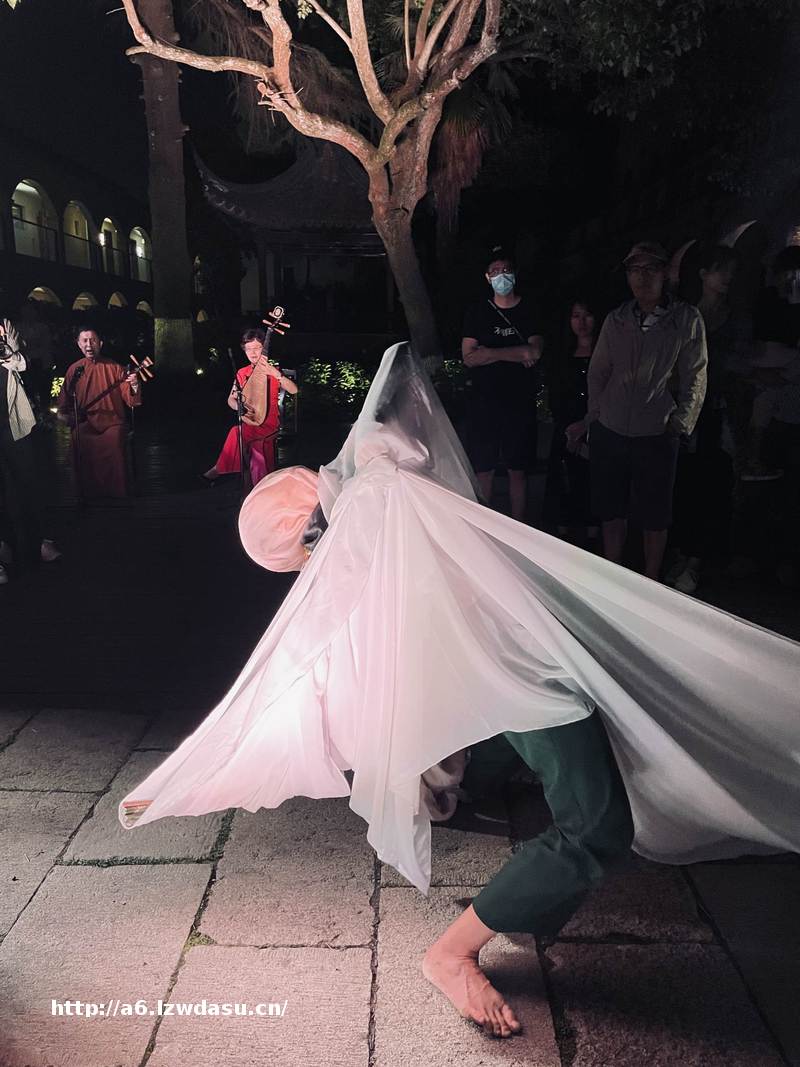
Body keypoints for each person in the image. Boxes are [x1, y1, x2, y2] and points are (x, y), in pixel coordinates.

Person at [119, 343, 799, 1039]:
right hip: (520, 666)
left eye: (299, 564)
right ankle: (460, 938)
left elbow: (279, 681)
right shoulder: (369, 494)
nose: (308, 578)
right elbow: (399, 387)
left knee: (596, 818)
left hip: (522, 663)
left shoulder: (368, 508)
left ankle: (457, 934)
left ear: (303, 544)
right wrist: (177, 784)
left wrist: (181, 781)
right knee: (596, 814)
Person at [567, 241, 708, 581]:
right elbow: (599, 371)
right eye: (634, 270)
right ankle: (613, 574)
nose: (642, 277)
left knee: (654, 514)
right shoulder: (617, 319)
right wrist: (596, 415)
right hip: (611, 426)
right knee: (611, 509)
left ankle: (651, 579)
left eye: (650, 269)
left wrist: (681, 422)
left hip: (657, 430)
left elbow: (696, 374)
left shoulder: (685, 318)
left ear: (664, 273)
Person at [666, 245, 740, 594]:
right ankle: (681, 553)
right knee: (683, 483)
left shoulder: (732, 318)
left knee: (711, 484)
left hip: (715, 411)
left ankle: (696, 560)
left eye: (730, 271)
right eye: (720, 269)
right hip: (683, 408)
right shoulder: (685, 314)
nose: (726, 277)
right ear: (703, 273)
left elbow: (733, 365)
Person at [462, 246, 543, 521]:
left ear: (515, 274)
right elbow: (469, 357)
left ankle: (517, 527)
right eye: (495, 271)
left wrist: (490, 353)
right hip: (483, 402)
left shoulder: (530, 310)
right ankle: (484, 528)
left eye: (506, 270)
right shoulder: (477, 312)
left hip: (519, 402)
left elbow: (534, 351)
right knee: (483, 469)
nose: (501, 276)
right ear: (487, 277)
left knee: (517, 470)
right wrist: (516, 354)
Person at [0, 318, 61, 584]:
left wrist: (8, 352)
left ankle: (38, 542)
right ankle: (4, 546)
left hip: (13, 419)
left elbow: (23, 362)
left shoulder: (4, 326)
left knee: (28, 480)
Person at [203, 328, 298, 486]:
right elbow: (231, 399)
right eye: (248, 349)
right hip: (250, 421)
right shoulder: (242, 373)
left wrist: (276, 373)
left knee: (237, 432)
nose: (253, 353)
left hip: (268, 424)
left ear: (264, 348)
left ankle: (218, 470)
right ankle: (249, 486)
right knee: (240, 435)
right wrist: (238, 407)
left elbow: (294, 390)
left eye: (257, 348)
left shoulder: (273, 371)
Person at [56, 326, 141, 499]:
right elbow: (63, 405)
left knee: (114, 440)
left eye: (93, 340)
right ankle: (86, 493)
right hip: (86, 423)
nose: (89, 344)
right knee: (78, 438)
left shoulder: (114, 367)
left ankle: (117, 493)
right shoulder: (74, 370)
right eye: (85, 341)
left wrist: (134, 384)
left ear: (100, 343)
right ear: (79, 344)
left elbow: (131, 399)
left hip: (112, 422)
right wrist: (67, 417)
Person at [544, 298, 599, 545]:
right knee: (565, 481)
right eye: (576, 316)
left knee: (593, 482)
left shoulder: (605, 353)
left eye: (587, 316)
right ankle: (563, 533)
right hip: (566, 429)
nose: (582, 322)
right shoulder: (562, 355)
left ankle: (593, 535)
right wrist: (569, 429)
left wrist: (587, 425)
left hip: (597, 427)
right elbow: (556, 394)